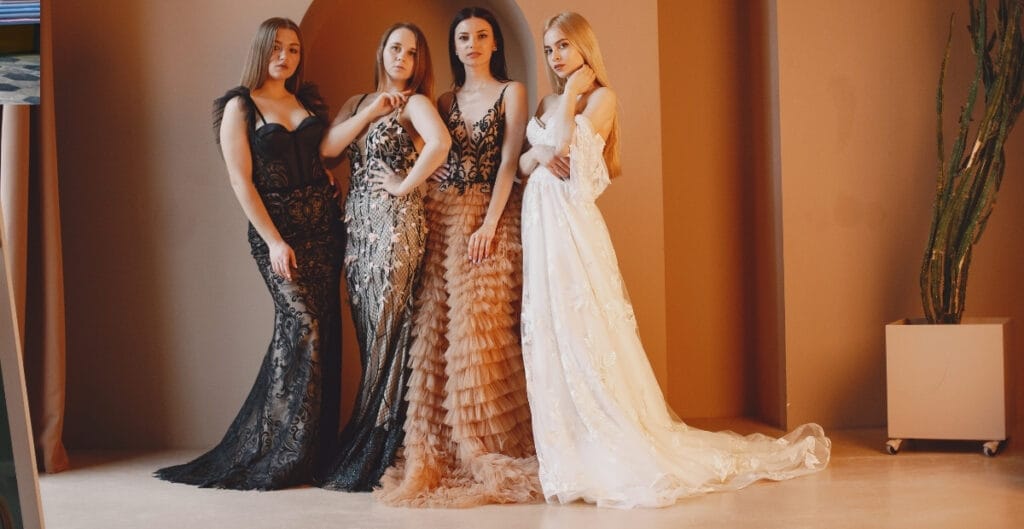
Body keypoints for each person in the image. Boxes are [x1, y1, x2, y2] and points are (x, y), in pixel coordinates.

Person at [518, 11, 831, 509]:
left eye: (563, 46)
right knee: (548, 332)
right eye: (549, 48)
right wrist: (534, 155)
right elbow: (527, 160)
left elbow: (566, 158)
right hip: (538, 226)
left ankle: (607, 449)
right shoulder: (546, 100)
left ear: (584, 48)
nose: (555, 57)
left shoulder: (599, 98)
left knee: (584, 332)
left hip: (569, 227)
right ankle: (566, 453)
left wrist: (573, 99)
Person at [154, 17, 343, 490]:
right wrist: (276, 239)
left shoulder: (306, 101)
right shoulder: (240, 105)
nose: (286, 56)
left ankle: (311, 450)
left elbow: (316, 153)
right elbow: (241, 180)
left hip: (323, 227)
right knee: (305, 327)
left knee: (319, 332)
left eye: (294, 49)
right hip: (277, 230)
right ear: (262, 50)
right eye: (277, 48)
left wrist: (324, 174)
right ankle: (282, 449)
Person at [374, 7, 539, 508]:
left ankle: (487, 446)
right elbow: (434, 149)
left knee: (480, 331)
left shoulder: (511, 92)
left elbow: (509, 160)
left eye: (481, 36)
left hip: (491, 215)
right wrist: (431, 174)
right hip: (443, 216)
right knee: (437, 330)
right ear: (455, 45)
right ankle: (439, 449)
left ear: (494, 45)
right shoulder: (443, 99)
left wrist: (490, 222)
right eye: (463, 37)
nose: (472, 44)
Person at [317, 22, 450, 492]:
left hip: (396, 232)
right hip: (358, 237)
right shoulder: (359, 103)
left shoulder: (416, 102)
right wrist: (371, 111)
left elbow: (441, 144)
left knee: (389, 336)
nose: (402, 58)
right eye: (395, 48)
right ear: (382, 51)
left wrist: (402, 184)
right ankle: (374, 435)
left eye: (411, 53)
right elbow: (329, 150)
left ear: (418, 63)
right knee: (370, 335)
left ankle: (379, 442)